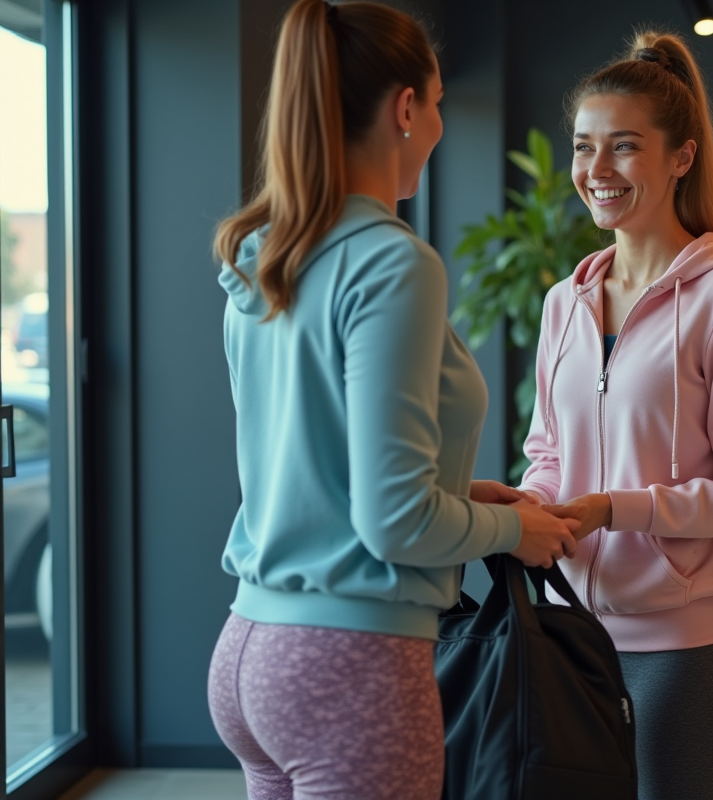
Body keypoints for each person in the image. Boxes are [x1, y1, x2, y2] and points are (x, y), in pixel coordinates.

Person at [205, 3, 578, 799]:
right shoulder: (391, 263)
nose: (440, 121)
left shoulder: (265, 255)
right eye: (438, 101)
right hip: (349, 664)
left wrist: (461, 493)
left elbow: (312, 467)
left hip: (250, 649)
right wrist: (516, 529)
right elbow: (394, 521)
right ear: (406, 108)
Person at [519, 31, 713, 800]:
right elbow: (548, 451)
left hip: (683, 655)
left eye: (623, 148)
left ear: (681, 156)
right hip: (565, 638)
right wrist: (536, 507)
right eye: (583, 148)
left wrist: (617, 509)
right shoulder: (563, 304)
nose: (595, 171)